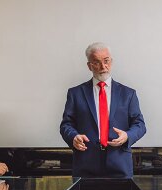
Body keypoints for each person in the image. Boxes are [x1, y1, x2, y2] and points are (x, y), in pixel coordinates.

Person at [59, 42, 146, 178]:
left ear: (111, 61)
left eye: (106, 61)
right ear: (89, 66)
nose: (103, 67)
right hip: (85, 165)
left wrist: (127, 136)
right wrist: (74, 137)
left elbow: (140, 125)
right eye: (97, 62)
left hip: (119, 164)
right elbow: (66, 125)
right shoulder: (75, 93)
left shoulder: (128, 94)